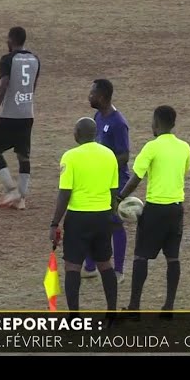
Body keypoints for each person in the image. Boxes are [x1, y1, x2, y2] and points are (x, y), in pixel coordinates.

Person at [118, 105, 190, 313]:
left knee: (141, 257)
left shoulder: (151, 147)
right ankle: (168, 307)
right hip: (176, 210)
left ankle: (134, 307)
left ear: (156, 123)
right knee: (173, 258)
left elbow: (136, 178)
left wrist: (120, 197)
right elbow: (184, 170)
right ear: (174, 124)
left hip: (155, 210)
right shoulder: (184, 147)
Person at [49, 117, 119, 314]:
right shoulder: (109, 155)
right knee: (105, 263)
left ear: (77, 134)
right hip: (103, 215)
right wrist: (110, 214)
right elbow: (114, 190)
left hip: (78, 217)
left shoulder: (70, 157)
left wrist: (55, 223)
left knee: (72, 266)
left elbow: (65, 193)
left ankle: (74, 317)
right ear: (95, 134)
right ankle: (112, 311)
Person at [81, 79, 130, 284]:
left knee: (114, 222)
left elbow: (124, 155)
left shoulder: (118, 123)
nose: (89, 96)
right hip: (99, 178)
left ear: (101, 97)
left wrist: (104, 167)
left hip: (116, 180)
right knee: (94, 220)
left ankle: (118, 270)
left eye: (92, 93)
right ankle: (91, 266)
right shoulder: (98, 116)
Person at [0, 26, 41, 209]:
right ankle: (22, 197)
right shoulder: (35, 60)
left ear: (11, 40)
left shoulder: (7, 60)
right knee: (23, 154)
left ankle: (12, 190)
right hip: (28, 114)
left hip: (10, 114)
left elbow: (3, 86)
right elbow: (32, 87)